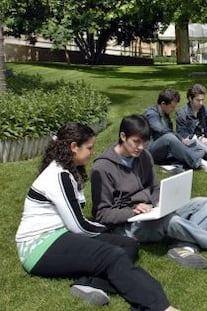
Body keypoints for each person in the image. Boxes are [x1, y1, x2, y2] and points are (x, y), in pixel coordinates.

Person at [15, 122, 177, 311]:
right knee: (113, 255)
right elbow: (79, 226)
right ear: (74, 147)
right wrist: (106, 229)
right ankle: (160, 306)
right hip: (39, 246)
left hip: (62, 234)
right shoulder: (59, 176)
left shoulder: (68, 169)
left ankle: (90, 284)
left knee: (128, 244)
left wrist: (111, 233)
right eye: (89, 148)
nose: (92, 152)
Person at [90, 114, 207, 270]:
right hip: (126, 225)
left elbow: (154, 187)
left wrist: (160, 203)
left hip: (150, 212)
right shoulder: (103, 168)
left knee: (205, 204)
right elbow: (102, 214)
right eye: (136, 142)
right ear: (123, 136)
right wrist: (132, 212)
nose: (141, 147)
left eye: (144, 142)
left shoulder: (144, 156)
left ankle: (184, 248)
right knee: (171, 221)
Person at [144, 88, 207, 174]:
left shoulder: (166, 116)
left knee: (198, 148)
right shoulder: (151, 114)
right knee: (169, 138)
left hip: (165, 151)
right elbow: (161, 130)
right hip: (151, 151)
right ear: (163, 104)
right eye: (172, 107)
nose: (174, 109)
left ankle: (176, 165)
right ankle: (199, 163)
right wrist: (180, 139)